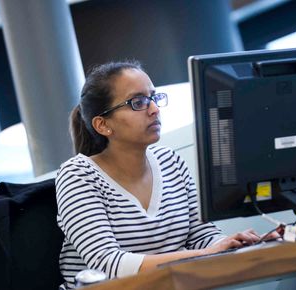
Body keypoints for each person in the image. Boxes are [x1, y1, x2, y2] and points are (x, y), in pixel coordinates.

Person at [55, 61, 262, 289]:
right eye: (138, 102)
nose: (154, 109)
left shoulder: (169, 161)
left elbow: (200, 233)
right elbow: (107, 264)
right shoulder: (78, 175)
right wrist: (206, 253)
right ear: (103, 125)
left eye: (154, 98)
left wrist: (230, 244)